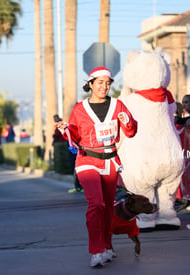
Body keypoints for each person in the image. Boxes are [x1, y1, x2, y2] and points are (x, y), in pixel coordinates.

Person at [55, 66, 138, 268]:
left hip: (110, 160)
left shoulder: (118, 105)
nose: (104, 87)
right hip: (87, 161)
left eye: (108, 83)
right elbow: (74, 136)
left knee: (109, 207)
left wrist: (127, 121)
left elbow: (132, 131)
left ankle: (107, 246)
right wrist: (66, 129)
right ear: (90, 84)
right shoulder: (79, 109)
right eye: (100, 82)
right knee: (97, 204)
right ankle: (96, 251)